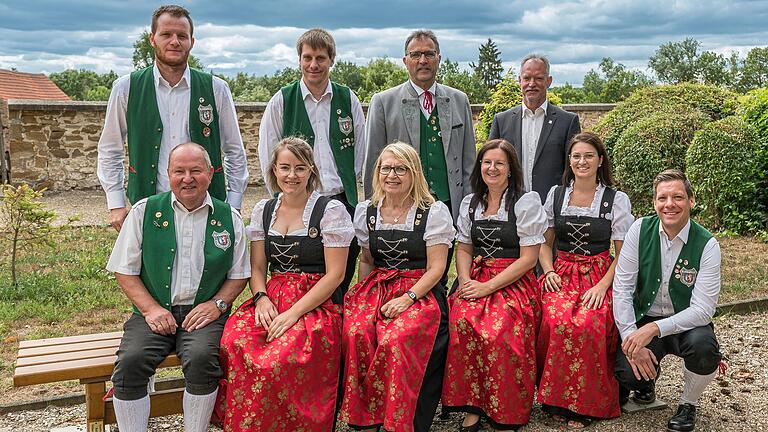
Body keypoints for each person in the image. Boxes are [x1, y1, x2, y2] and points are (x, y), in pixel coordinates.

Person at [106, 142, 250, 432]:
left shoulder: (228, 218)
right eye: (179, 171)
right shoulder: (144, 211)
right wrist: (150, 309)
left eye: (196, 170)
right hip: (153, 312)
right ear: (167, 174)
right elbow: (124, 270)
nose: (188, 178)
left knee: (201, 360)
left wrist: (218, 304)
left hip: (204, 316)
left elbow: (239, 274)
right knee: (130, 363)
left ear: (210, 173)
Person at [217, 137, 353, 431]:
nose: (292, 175)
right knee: (235, 340)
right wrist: (262, 298)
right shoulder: (264, 211)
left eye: (300, 168)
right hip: (273, 295)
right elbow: (257, 267)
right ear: (274, 171)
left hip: (316, 301)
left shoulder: (329, 211)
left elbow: (335, 275)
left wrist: (293, 314)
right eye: (285, 167)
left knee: (282, 357)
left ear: (311, 172)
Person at [97, 4, 248, 232]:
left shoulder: (216, 88)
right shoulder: (126, 88)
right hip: (147, 204)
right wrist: (116, 203)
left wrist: (234, 203)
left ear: (192, 42)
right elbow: (110, 148)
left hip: (208, 205)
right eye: (166, 34)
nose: (174, 41)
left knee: (208, 267)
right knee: (149, 267)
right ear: (152, 39)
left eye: (182, 36)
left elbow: (234, 149)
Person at [340, 142, 455, 432]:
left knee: (397, 339)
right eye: (386, 168)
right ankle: (367, 416)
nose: (392, 174)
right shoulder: (367, 211)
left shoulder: (432, 211)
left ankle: (400, 417)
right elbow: (366, 259)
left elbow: (437, 268)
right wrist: (361, 296)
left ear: (413, 172)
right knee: (356, 332)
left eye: (400, 168)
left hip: (420, 290)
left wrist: (408, 297)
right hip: (377, 285)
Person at [441, 139, 546, 431]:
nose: (492, 168)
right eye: (487, 162)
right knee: (462, 320)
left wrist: (487, 288)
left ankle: (506, 406)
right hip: (475, 277)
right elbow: (463, 248)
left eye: (500, 163)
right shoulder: (471, 202)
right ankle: (474, 404)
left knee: (502, 329)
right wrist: (464, 281)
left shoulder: (525, 202)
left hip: (513, 280)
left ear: (511, 169)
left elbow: (528, 259)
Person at [536, 132, 634, 428]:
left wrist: (603, 285)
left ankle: (586, 403)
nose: (582, 161)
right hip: (562, 271)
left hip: (599, 273)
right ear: (569, 160)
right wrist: (549, 270)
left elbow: (623, 255)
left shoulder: (615, 200)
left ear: (600, 160)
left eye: (589, 156)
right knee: (554, 319)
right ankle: (554, 399)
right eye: (577, 156)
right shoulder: (556, 195)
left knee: (590, 323)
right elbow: (543, 242)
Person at [258, 28, 365, 297]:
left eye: (320, 58)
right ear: (299, 60)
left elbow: (360, 149)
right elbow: (268, 153)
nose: (313, 65)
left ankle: (333, 322)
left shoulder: (347, 98)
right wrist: (282, 196)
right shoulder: (282, 99)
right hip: (299, 202)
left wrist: (346, 187)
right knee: (301, 271)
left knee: (340, 274)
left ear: (331, 60)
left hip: (340, 200)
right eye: (307, 58)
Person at [613, 169, 722, 432]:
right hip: (646, 317)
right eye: (662, 198)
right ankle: (646, 385)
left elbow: (703, 310)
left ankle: (688, 404)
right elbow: (622, 288)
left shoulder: (708, 244)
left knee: (705, 350)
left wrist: (653, 329)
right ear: (654, 202)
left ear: (691, 201)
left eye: (678, 197)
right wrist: (631, 338)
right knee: (626, 373)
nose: (669, 204)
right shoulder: (639, 230)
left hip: (687, 323)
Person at [363, 29, 476, 221]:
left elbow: (469, 161)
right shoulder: (383, 102)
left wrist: (469, 208)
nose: (423, 60)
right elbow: (373, 164)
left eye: (429, 54)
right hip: (401, 207)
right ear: (405, 61)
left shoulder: (459, 100)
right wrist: (372, 215)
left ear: (438, 59)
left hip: (448, 205)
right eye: (415, 54)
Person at [488, 54, 581, 203]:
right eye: (526, 78)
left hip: (552, 209)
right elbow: (491, 164)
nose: (532, 83)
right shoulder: (502, 120)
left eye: (538, 78)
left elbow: (573, 170)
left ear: (549, 81)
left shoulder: (568, 122)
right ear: (519, 81)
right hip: (509, 207)